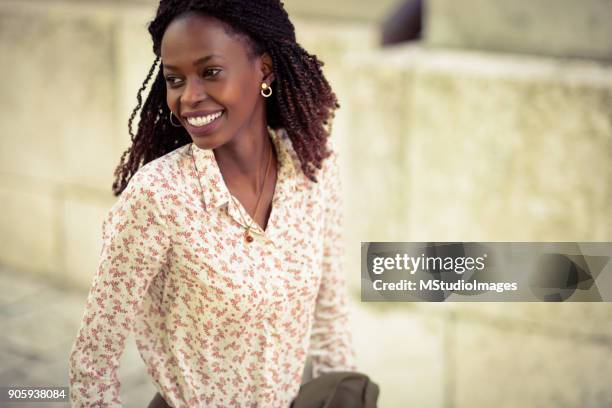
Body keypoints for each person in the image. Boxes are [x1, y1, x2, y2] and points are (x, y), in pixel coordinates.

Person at [68, 0, 357, 406]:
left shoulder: (315, 169)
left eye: (211, 72)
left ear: (265, 69)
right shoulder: (159, 196)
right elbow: (92, 363)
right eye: (175, 79)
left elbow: (330, 315)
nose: (189, 97)